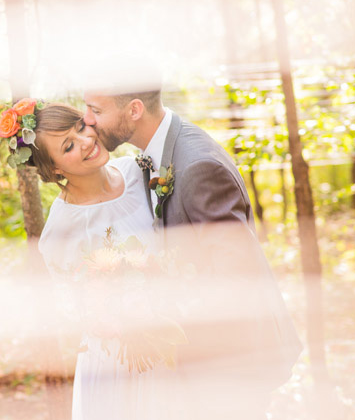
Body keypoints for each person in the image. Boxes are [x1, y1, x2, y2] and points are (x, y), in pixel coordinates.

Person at [82, 87, 303, 419]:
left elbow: (236, 280)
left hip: (229, 367)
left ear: (135, 110)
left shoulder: (198, 167)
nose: (87, 120)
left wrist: (150, 314)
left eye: (96, 110)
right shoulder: (155, 155)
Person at [0, 98, 185, 419]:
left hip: (173, 343)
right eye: (69, 145)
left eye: (81, 127)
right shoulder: (62, 229)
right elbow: (71, 308)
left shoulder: (139, 170)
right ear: (54, 168)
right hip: (118, 362)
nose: (87, 141)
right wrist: (115, 309)